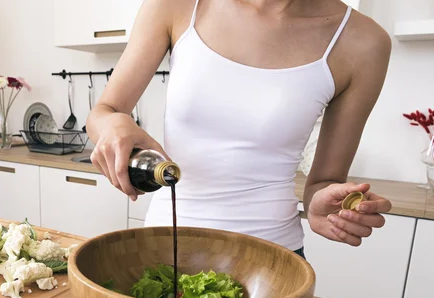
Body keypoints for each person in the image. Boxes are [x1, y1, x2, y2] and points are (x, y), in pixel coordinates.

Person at [85, 0, 393, 254]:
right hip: (164, 243)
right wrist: (113, 125)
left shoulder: (364, 43)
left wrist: (322, 205)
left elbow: (324, 182)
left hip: (270, 258)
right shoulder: (176, 5)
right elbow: (103, 112)